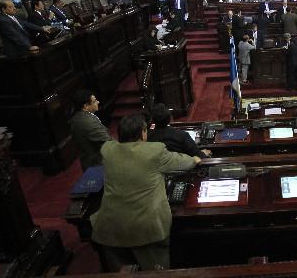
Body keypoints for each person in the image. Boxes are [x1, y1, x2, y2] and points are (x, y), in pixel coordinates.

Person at [90, 113, 201, 271]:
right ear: (143, 132)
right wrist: (195, 159)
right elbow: (182, 162)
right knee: (156, 272)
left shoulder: (107, 150)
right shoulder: (154, 151)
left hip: (110, 227)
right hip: (146, 229)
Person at [69, 90, 112, 171]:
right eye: (95, 101)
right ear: (85, 106)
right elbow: (108, 142)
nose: (98, 102)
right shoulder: (88, 123)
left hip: (88, 160)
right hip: (97, 165)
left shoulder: (77, 116)